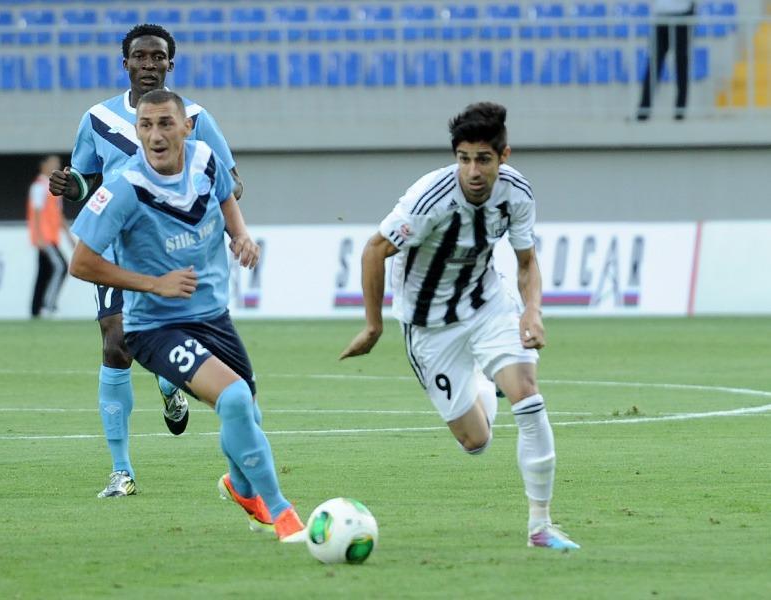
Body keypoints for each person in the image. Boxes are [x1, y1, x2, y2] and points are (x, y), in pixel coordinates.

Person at [340, 102, 580, 550]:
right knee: (475, 442)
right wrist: (373, 326)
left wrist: (532, 311)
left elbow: (526, 262)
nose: (473, 171)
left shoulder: (516, 193)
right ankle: (486, 383)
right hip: (428, 326)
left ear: (503, 156)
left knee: (529, 396)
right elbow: (374, 250)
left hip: (487, 304)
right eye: (464, 158)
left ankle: (541, 527)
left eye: (483, 159)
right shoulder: (428, 200)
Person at [68, 89, 305, 542]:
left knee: (248, 414)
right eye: (145, 125)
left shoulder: (205, 160)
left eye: (164, 124)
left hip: (213, 316)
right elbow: (81, 263)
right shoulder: (122, 188)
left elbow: (226, 197)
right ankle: (281, 512)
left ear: (187, 127)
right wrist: (153, 284)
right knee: (234, 399)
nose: (155, 135)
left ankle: (240, 488)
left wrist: (240, 236)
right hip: (155, 327)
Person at [49, 24, 244, 498]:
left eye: (158, 57)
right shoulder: (97, 119)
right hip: (117, 248)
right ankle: (121, 471)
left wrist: (211, 209)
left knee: (165, 340)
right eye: (141, 56)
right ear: (126, 64)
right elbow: (88, 180)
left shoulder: (193, 117)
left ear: (170, 64)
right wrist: (71, 186)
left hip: (173, 248)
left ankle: (168, 381)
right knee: (115, 345)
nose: (149, 64)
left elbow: (232, 182)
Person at [637, 0, 697, 121]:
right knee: (654, 65)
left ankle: (680, 113)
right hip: (661, 16)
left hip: (681, 15)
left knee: (681, 65)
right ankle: (643, 112)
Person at [27, 154, 69, 319]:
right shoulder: (39, 186)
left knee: (44, 272)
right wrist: (38, 237)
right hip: (45, 237)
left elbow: (58, 214)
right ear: (43, 165)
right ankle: (48, 306)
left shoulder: (54, 187)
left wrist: (68, 236)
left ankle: (36, 310)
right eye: (53, 163)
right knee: (60, 267)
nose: (56, 166)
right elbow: (36, 213)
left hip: (52, 236)